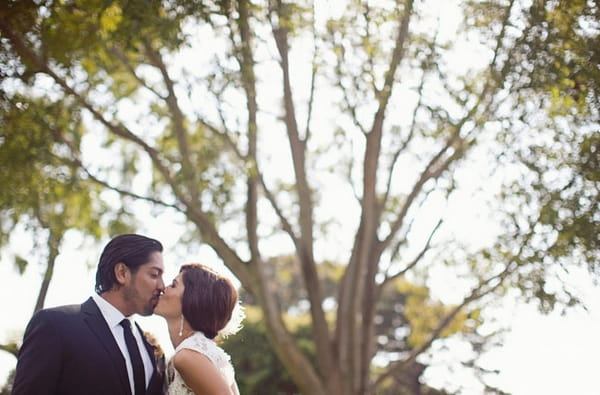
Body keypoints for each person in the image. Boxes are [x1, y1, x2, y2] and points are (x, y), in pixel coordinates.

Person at [12, 233, 167, 395]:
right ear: (122, 273)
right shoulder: (56, 326)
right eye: (154, 275)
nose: (162, 286)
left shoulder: (151, 349)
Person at [155, 263, 244, 395]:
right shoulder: (200, 351)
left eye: (173, 285)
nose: (163, 288)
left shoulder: (187, 356)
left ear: (191, 300)